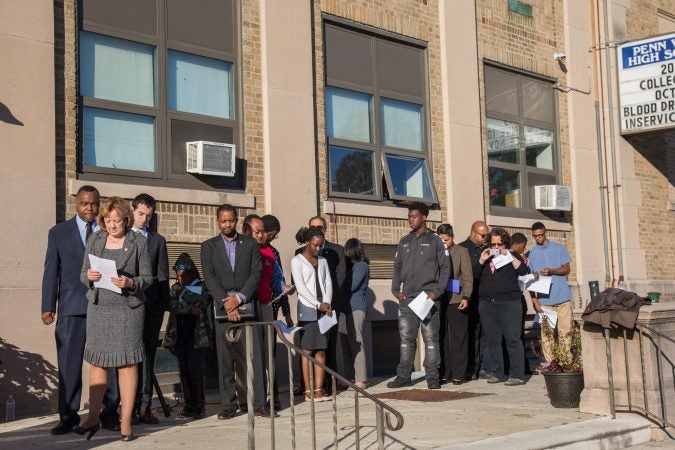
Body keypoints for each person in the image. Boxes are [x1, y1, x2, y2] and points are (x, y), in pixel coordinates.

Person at [41, 185, 120, 435]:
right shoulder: (58, 233)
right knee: (69, 363)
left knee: (109, 362)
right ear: (76, 203)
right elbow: (51, 271)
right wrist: (47, 305)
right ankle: (68, 416)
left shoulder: (110, 232)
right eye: (85, 203)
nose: (89, 208)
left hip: (104, 306)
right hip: (70, 307)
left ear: (100, 204)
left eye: (94, 204)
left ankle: (108, 414)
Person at [77, 196, 153, 441]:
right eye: (108, 221)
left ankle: (126, 420)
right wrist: (89, 275)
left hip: (127, 311)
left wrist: (130, 282)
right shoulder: (94, 239)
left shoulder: (138, 242)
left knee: (127, 364)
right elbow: (82, 275)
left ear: (126, 220)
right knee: (97, 361)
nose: (112, 225)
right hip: (100, 309)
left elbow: (148, 278)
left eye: (116, 221)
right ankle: (92, 417)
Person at [201, 204, 270, 419]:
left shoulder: (250, 244)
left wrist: (239, 299)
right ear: (217, 221)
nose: (227, 225)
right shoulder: (208, 246)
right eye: (223, 221)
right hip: (223, 310)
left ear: (237, 220)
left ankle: (259, 404)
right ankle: (229, 406)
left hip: (247, 306)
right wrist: (226, 303)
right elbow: (209, 277)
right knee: (225, 360)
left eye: (231, 220)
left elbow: (256, 273)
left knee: (254, 358)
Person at [388, 202, 450, 390]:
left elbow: (445, 268)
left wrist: (436, 292)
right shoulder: (404, 241)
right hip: (407, 299)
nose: (410, 220)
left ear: (424, 217)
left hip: (428, 299)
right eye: (409, 217)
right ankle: (404, 375)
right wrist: (395, 289)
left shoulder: (435, 240)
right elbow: (397, 266)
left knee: (431, 339)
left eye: (414, 217)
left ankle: (432, 377)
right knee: (406, 340)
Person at [131, 194, 170, 424]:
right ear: (133, 211)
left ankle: (144, 406)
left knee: (147, 357)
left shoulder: (158, 241)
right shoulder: (122, 237)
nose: (144, 219)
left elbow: (162, 275)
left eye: (149, 215)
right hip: (128, 307)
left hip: (151, 308)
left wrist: (162, 306)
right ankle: (127, 405)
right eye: (140, 214)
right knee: (128, 357)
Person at [477, 228, 530, 386]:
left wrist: (509, 256)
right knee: (493, 340)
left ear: (505, 243)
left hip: (509, 302)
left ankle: (517, 375)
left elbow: (524, 271)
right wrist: (481, 261)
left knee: (512, 338)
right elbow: (473, 275)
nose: (497, 246)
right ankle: (497, 372)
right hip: (487, 303)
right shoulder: (486, 256)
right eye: (493, 243)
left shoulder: (511, 255)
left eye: (500, 243)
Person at [163, 253, 212, 419]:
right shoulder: (175, 288)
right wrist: (188, 308)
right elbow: (170, 304)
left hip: (197, 336)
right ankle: (188, 404)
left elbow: (203, 302)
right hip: (179, 334)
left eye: (184, 274)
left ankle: (199, 405)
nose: (180, 277)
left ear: (192, 272)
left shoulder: (202, 286)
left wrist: (185, 294)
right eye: (178, 274)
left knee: (196, 370)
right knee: (183, 371)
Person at [291, 226, 334, 402]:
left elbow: (328, 283)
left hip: (324, 307)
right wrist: (318, 304)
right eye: (315, 245)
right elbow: (300, 288)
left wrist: (327, 303)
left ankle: (319, 389)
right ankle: (308, 391)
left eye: (320, 246)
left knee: (321, 349)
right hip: (308, 308)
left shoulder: (323, 261)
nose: (318, 249)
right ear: (308, 242)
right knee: (307, 350)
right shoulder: (297, 261)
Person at [527, 222, 573, 371]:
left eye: (540, 235)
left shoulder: (559, 248)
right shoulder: (532, 253)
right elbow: (530, 278)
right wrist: (534, 300)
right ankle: (550, 362)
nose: (538, 238)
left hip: (562, 295)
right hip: (544, 299)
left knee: (565, 329)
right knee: (546, 332)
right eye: (535, 236)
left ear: (545, 233)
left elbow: (567, 269)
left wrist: (552, 271)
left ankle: (566, 360)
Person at [436, 224, 473, 385]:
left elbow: (467, 276)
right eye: (441, 240)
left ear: (453, 237)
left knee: (459, 338)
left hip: (457, 298)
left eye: (447, 239)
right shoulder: (434, 252)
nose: (444, 243)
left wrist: (466, 297)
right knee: (441, 337)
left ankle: (459, 373)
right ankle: (445, 372)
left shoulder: (461, 252)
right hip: (438, 299)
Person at [459, 220, 490, 380]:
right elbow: (459, 275)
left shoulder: (488, 249)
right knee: (470, 333)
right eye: (483, 235)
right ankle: (470, 368)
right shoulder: (462, 248)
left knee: (484, 333)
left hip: (485, 297)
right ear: (473, 232)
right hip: (468, 298)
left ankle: (482, 367)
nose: (486, 238)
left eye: (487, 235)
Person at [341, 238, 370, 389]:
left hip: (356, 308)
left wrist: (342, 276)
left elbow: (352, 285)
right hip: (344, 309)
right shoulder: (349, 266)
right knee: (345, 345)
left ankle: (361, 379)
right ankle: (348, 377)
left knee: (356, 343)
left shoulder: (361, 265)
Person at [261, 214, 294, 327]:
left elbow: (280, 279)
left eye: (274, 236)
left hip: (273, 306)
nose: (272, 238)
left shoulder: (273, 252)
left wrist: (287, 313)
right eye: (271, 235)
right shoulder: (249, 248)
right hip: (257, 305)